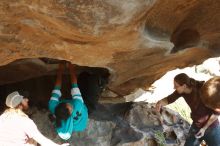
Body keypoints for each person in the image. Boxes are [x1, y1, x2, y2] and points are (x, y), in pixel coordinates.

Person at [155, 73, 220, 146]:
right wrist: (159, 103)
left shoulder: (202, 90)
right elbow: (169, 99)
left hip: (211, 126)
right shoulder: (181, 92)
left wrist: (204, 128)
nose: (174, 88)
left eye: (176, 86)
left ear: (184, 86)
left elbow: (216, 112)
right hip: (196, 125)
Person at [0, 91, 69, 146]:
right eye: (24, 99)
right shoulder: (23, 120)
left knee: (30, 139)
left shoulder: (2, 117)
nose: (27, 100)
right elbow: (41, 139)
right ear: (19, 103)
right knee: (33, 141)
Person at [48, 63, 88, 140]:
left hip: (76, 123)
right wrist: (71, 67)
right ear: (69, 114)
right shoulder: (78, 105)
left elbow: (57, 88)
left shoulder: (52, 106)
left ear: (59, 105)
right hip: (82, 118)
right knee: (86, 86)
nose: (70, 105)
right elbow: (74, 85)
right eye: (70, 108)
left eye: (68, 104)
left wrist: (60, 70)